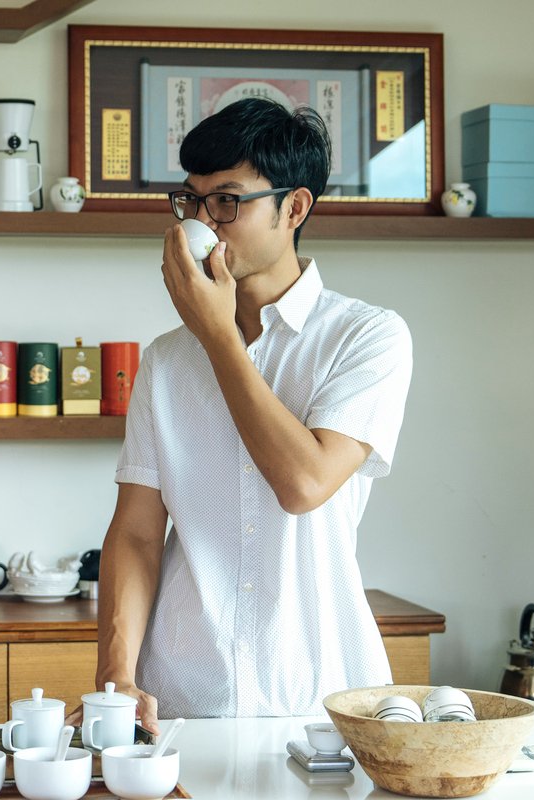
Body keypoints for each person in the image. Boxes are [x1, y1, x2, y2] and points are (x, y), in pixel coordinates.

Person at [96, 98, 413, 729]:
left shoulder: (368, 337)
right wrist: (115, 674)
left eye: (228, 201)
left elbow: (304, 484)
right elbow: (135, 533)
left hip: (321, 698)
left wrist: (218, 337)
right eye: (192, 200)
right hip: (184, 695)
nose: (205, 223)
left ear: (294, 208)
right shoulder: (166, 360)